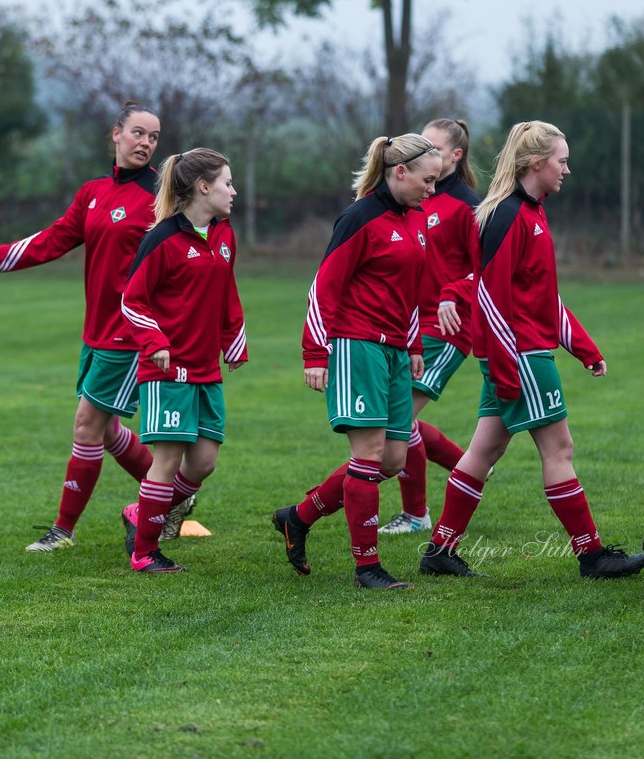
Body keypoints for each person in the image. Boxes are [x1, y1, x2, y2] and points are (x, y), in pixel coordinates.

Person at [417, 120, 644, 580]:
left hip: (516, 353)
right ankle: (592, 555)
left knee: (484, 449)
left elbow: (541, 297)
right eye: (561, 161)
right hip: (520, 356)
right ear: (536, 163)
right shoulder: (507, 214)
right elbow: (492, 299)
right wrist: (505, 369)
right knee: (559, 448)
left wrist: (583, 347)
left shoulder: (532, 211)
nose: (567, 169)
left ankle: (440, 551)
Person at [0, 103, 189, 553]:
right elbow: (51, 240)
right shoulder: (93, 192)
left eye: (154, 137)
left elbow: (187, 259)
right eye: (138, 133)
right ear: (116, 135)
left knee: (87, 424)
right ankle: (172, 495)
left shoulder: (162, 199)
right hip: (95, 331)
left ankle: (63, 531)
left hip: (133, 333)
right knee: (104, 431)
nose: (146, 143)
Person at [271, 133, 439, 590]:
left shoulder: (416, 219)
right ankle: (368, 568)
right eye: (427, 180)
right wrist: (315, 352)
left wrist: (416, 345)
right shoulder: (360, 217)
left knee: (392, 460)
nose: (432, 189)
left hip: (396, 351)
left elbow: (410, 291)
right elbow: (324, 286)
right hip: (355, 345)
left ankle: (297, 518)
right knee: (367, 456)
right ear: (399, 172)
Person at [119, 147, 247, 573]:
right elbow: (132, 300)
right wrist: (153, 340)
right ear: (203, 187)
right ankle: (144, 552)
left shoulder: (225, 234)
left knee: (204, 462)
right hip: (166, 370)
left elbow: (227, 292)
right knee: (168, 460)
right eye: (227, 183)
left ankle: (140, 515)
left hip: (207, 368)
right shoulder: (162, 238)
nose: (234, 191)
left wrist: (234, 338)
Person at [380, 118, 482, 536]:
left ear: (455, 156)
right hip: (407, 326)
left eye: (433, 146)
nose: (423, 150)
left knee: (394, 424)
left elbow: (486, 272)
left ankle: (416, 513)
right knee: (399, 419)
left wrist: (450, 294)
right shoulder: (416, 199)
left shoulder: (470, 208)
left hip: (447, 329)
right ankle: (468, 467)